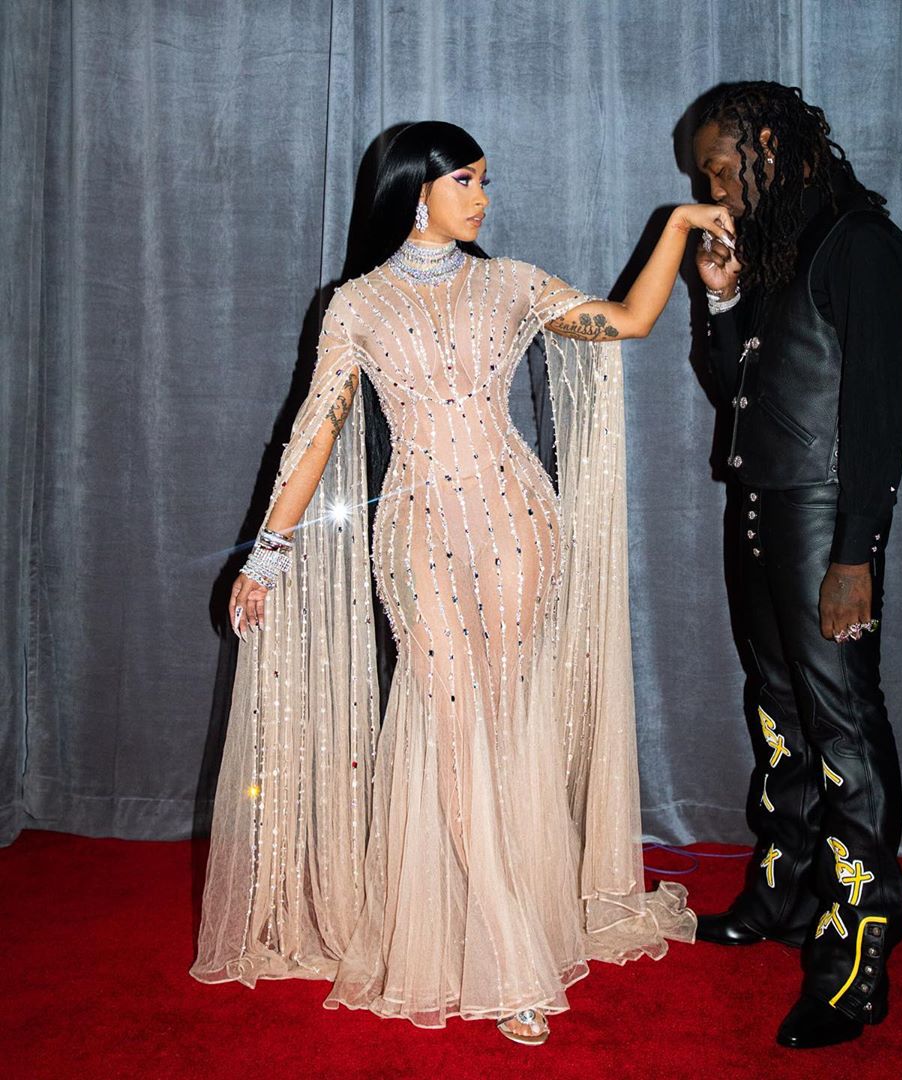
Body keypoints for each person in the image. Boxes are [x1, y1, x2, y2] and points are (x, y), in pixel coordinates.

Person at [191, 121, 722, 1045]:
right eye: (466, 180)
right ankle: (509, 955)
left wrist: (676, 226)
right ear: (417, 190)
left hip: (520, 524)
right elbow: (314, 431)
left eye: (483, 180)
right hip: (417, 533)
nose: (483, 196)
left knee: (505, 719)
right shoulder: (356, 304)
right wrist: (267, 552)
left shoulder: (510, 282)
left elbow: (627, 322)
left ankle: (511, 920)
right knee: (448, 722)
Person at [685, 83, 902, 1049]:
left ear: (771, 143)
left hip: (824, 523)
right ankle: (785, 894)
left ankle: (856, 955)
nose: (714, 189)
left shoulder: (861, 244)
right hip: (759, 511)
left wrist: (855, 552)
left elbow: (876, 413)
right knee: (777, 709)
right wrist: (723, 297)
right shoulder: (779, 246)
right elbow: (736, 392)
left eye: (721, 169)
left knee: (842, 725)